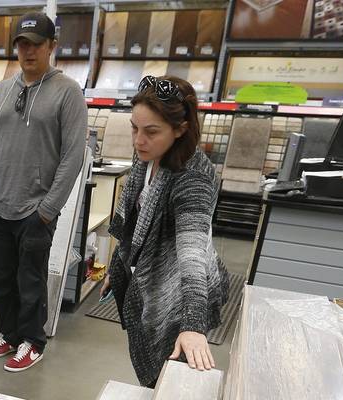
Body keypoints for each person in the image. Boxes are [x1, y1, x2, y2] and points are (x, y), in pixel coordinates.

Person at [0, 11, 87, 373]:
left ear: (52, 46)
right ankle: (9, 335)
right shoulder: (2, 91)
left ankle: (32, 342)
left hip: (35, 211)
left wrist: (48, 209)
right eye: (22, 44)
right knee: (0, 281)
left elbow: (74, 157)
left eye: (36, 44)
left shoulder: (67, 92)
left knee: (30, 281)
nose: (28, 51)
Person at [102, 75, 229, 387]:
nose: (138, 140)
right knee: (148, 358)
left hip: (181, 292)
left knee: (169, 372)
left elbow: (192, 252)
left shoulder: (193, 178)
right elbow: (134, 217)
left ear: (180, 129)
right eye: (134, 127)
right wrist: (119, 263)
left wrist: (193, 324)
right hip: (147, 276)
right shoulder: (147, 153)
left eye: (151, 131)